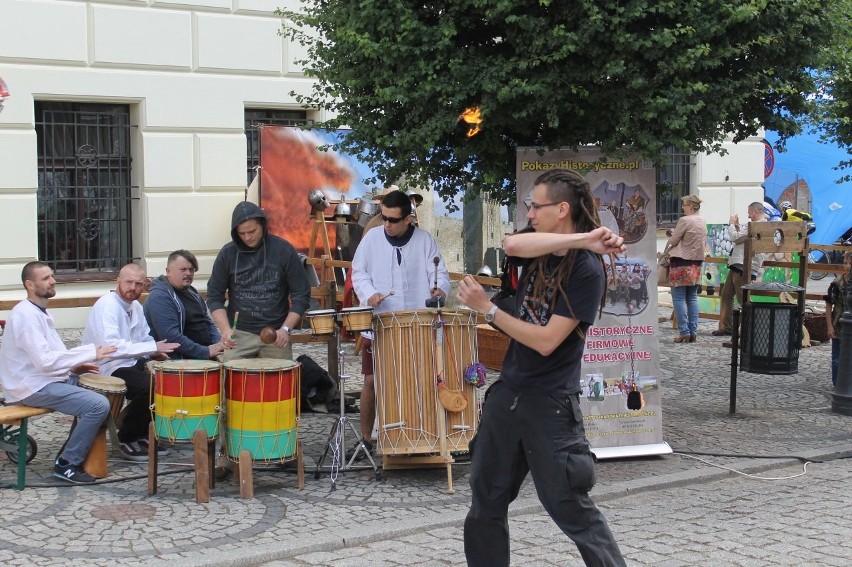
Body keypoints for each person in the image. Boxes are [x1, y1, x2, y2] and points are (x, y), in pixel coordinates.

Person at [456, 168, 627, 567]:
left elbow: (547, 341)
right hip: (509, 397)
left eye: (536, 205)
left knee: (570, 507)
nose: (529, 212)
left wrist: (489, 310)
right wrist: (583, 236)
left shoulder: (586, 270)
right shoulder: (538, 245)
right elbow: (512, 243)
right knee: (486, 501)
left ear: (562, 208)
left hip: (549, 406)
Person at [349, 189, 450, 459]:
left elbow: (438, 273)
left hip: (417, 323)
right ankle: (367, 440)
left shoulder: (425, 241)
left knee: (419, 378)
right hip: (380, 321)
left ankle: (421, 433)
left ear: (408, 219)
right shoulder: (371, 240)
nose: (387, 225)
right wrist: (368, 292)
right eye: (384, 218)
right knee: (372, 380)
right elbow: (358, 273)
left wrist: (439, 290)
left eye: (393, 220)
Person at [0, 261, 117, 483]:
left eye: (51, 276)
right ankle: (67, 464)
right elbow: (44, 361)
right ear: (30, 285)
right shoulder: (25, 316)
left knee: (102, 389)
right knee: (97, 404)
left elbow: (52, 354)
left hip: (45, 379)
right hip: (30, 387)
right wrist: (91, 352)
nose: (53, 281)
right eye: (46, 278)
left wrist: (73, 367)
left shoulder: (39, 312)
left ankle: (74, 453)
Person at [82, 263, 179, 461]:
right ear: (117, 281)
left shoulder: (135, 306)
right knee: (149, 386)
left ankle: (142, 432)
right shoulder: (107, 305)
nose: (133, 288)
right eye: (128, 282)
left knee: (166, 379)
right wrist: (151, 348)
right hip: (104, 366)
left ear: (144, 285)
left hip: (125, 362)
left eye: (138, 284)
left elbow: (143, 337)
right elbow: (112, 347)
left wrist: (154, 351)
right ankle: (127, 438)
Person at [207, 201, 311, 361]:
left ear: (262, 225)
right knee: (232, 380)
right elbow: (214, 296)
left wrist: (285, 329)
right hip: (239, 334)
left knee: (280, 382)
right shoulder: (227, 254)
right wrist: (226, 330)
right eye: (242, 234)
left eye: (252, 231)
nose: (247, 237)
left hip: (275, 332)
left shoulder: (283, 250)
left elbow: (301, 295)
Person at [144, 249, 223, 360]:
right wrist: (204, 351)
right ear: (168, 271)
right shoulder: (159, 297)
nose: (188, 273)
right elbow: (171, 337)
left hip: (206, 357)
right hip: (180, 364)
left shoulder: (192, 292)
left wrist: (219, 344)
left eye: (191, 270)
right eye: (183, 269)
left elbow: (207, 321)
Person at [713, 202, 766, 336]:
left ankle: (749, 329)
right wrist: (737, 227)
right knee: (726, 295)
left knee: (743, 298)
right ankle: (729, 327)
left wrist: (731, 224)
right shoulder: (763, 225)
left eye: (749, 213)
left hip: (743, 265)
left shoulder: (756, 225)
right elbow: (742, 236)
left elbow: (736, 238)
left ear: (754, 211)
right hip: (738, 264)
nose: (748, 216)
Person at [665, 194, 708, 343]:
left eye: (684, 205)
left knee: (678, 297)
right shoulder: (702, 220)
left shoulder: (684, 220)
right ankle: (693, 331)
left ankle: (684, 331)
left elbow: (674, 240)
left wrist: (671, 235)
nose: (682, 207)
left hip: (681, 263)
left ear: (690, 206)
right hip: (695, 263)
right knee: (692, 297)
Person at [825, 251, 852, 387]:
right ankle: (838, 385)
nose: (848, 266)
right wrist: (829, 326)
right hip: (839, 325)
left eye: (850, 263)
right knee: (837, 358)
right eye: (845, 263)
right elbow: (829, 305)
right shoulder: (836, 284)